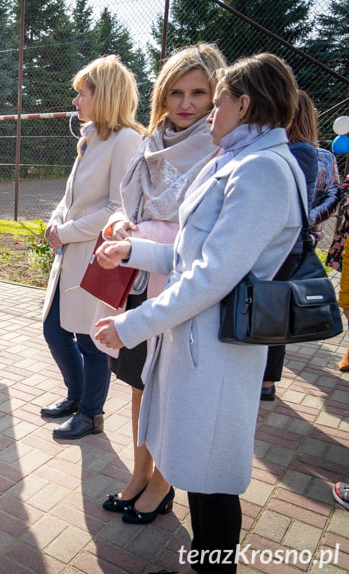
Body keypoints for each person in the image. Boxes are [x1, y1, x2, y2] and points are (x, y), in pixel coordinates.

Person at [94, 53, 304, 574]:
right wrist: (133, 252)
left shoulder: (261, 171)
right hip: (197, 345)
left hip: (214, 351)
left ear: (243, 103)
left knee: (211, 481)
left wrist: (132, 324)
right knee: (200, 472)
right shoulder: (238, 159)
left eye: (218, 98)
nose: (207, 111)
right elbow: (197, 256)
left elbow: (211, 278)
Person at [98, 44, 225, 525]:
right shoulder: (150, 140)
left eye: (198, 92)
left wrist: (141, 237)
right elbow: (128, 207)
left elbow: (202, 237)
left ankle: (162, 483)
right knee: (136, 383)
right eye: (175, 92)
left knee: (167, 387)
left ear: (218, 96)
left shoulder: (218, 148)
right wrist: (118, 225)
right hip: (133, 278)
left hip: (178, 291)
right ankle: (138, 472)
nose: (185, 103)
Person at [39, 55, 143, 440]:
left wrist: (66, 232)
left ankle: (91, 414)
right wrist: (55, 219)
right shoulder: (90, 136)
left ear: (105, 95)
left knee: (90, 340)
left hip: (93, 256)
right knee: (55, 330)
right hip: (71, 255)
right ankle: (77, 396)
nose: (76, 100)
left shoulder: (126, 139)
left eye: (82, 93)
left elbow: (119, 208)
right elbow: (70, 197)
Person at [261, 91, 339, 401]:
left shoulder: (305, 152)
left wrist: (309, 219)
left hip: (287, 244)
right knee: (272, 312)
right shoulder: (294, 149)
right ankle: (264, 380)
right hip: (285, 241)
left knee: (273, 314)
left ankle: (266, 383)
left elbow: (321, 197)